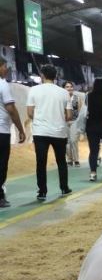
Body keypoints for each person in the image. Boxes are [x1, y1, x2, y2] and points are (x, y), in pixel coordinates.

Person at [26, 64, 72, 201]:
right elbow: (69, 116)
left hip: (40, 132)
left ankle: (42, 192)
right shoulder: (64, 92)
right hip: (59, 132)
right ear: (55, 76)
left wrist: (41, 119)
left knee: (41, 162)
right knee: (61, 161)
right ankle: (64, 188)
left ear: (42, 76)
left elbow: (29, 113)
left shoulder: (33, 90)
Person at [0, 56, 26, 209]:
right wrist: (20, 129)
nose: (6, 70)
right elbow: (11, 109)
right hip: (1, 131)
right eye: (4, 66)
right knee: (2, 165)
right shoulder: (3, 85)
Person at [64, 81, 83, 167]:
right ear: (64, 88)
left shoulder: (77, 98)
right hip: (64, 122)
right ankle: (69, 159)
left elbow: (80, 111)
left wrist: (79, 124)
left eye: (71, 86)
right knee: (67, 142)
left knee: (74, 141)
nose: (69, 88)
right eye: (67, 87)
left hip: (74, 121)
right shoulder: (62, 98)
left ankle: (76, 160)